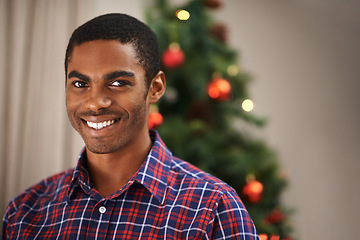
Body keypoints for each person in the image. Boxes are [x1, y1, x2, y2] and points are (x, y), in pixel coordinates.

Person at [2, 13, 259, 239]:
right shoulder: (25, 213)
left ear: (155, 88)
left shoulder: (213, 209)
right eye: (80, 84)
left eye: (118, 83)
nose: (96, 103)